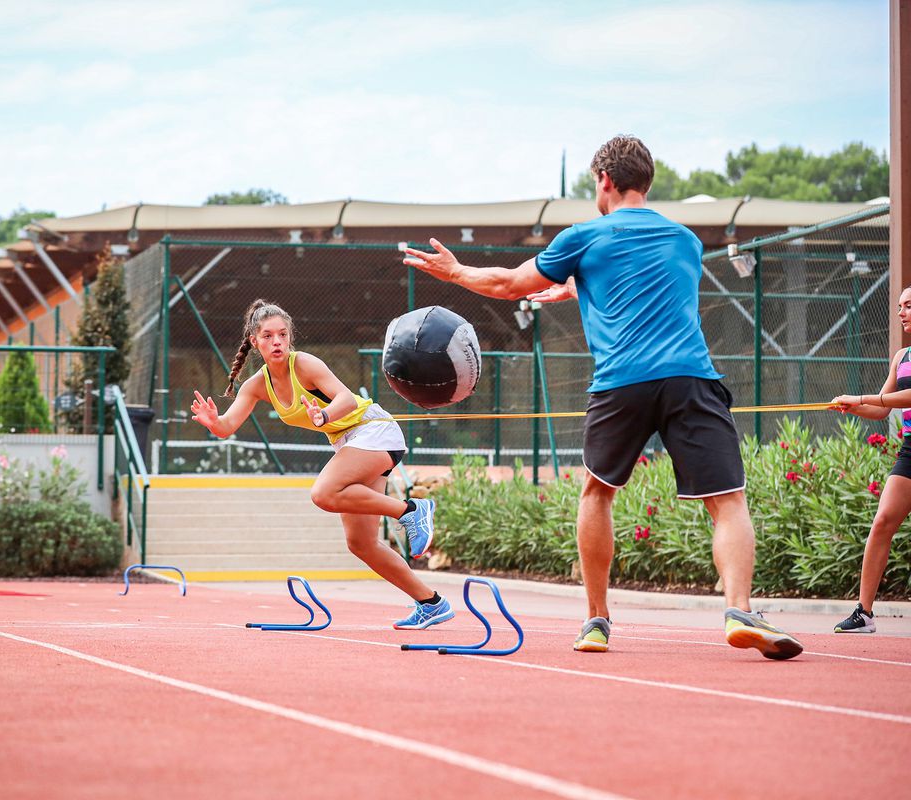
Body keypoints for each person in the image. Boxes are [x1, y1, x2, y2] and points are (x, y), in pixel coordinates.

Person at [403, 135, 803, 659]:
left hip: (622, 382)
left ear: (605, 181)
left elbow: (509, 285)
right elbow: (651, 284)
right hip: (690, 377)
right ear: (646, 182)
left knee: (597, 494)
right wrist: (581, 287)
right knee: (727, 502)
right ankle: (739, 609)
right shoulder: (685, 240)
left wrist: (456, 272)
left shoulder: (583, 237)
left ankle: (596, 620)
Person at [189, 298, 455, 630]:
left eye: (283, 335)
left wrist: (324, 415)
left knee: (323, 493)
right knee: (360, 543)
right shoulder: (257, 385)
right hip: (351, 443)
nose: (277, 342)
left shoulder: (305, 364)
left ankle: (412, 511)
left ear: (290, 338)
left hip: (373, 430)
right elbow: (227, 427)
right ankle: (431, 603)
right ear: (254, 341)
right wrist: (213, 422)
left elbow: (344, 397)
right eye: (268, 336)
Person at [828, 285, 911, 633]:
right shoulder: (902, 356)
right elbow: (883, 405)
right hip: (910, 448)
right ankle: (864, 613)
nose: (901, 312)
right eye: (899, 306)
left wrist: (861, 396)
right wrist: (854, 406)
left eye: (908, 305)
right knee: (882, 523)